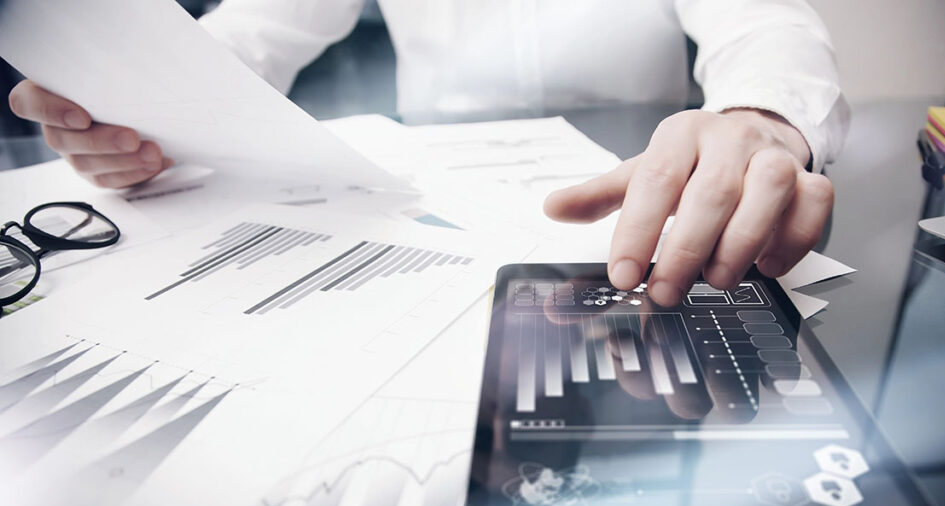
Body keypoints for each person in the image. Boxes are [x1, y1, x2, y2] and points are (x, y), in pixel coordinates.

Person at [6, 0, 849, 306]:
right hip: (431, 210)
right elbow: (253, 32)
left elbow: (767, 23)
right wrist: (130, 104)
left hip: (642, 197)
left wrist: (763, 118)